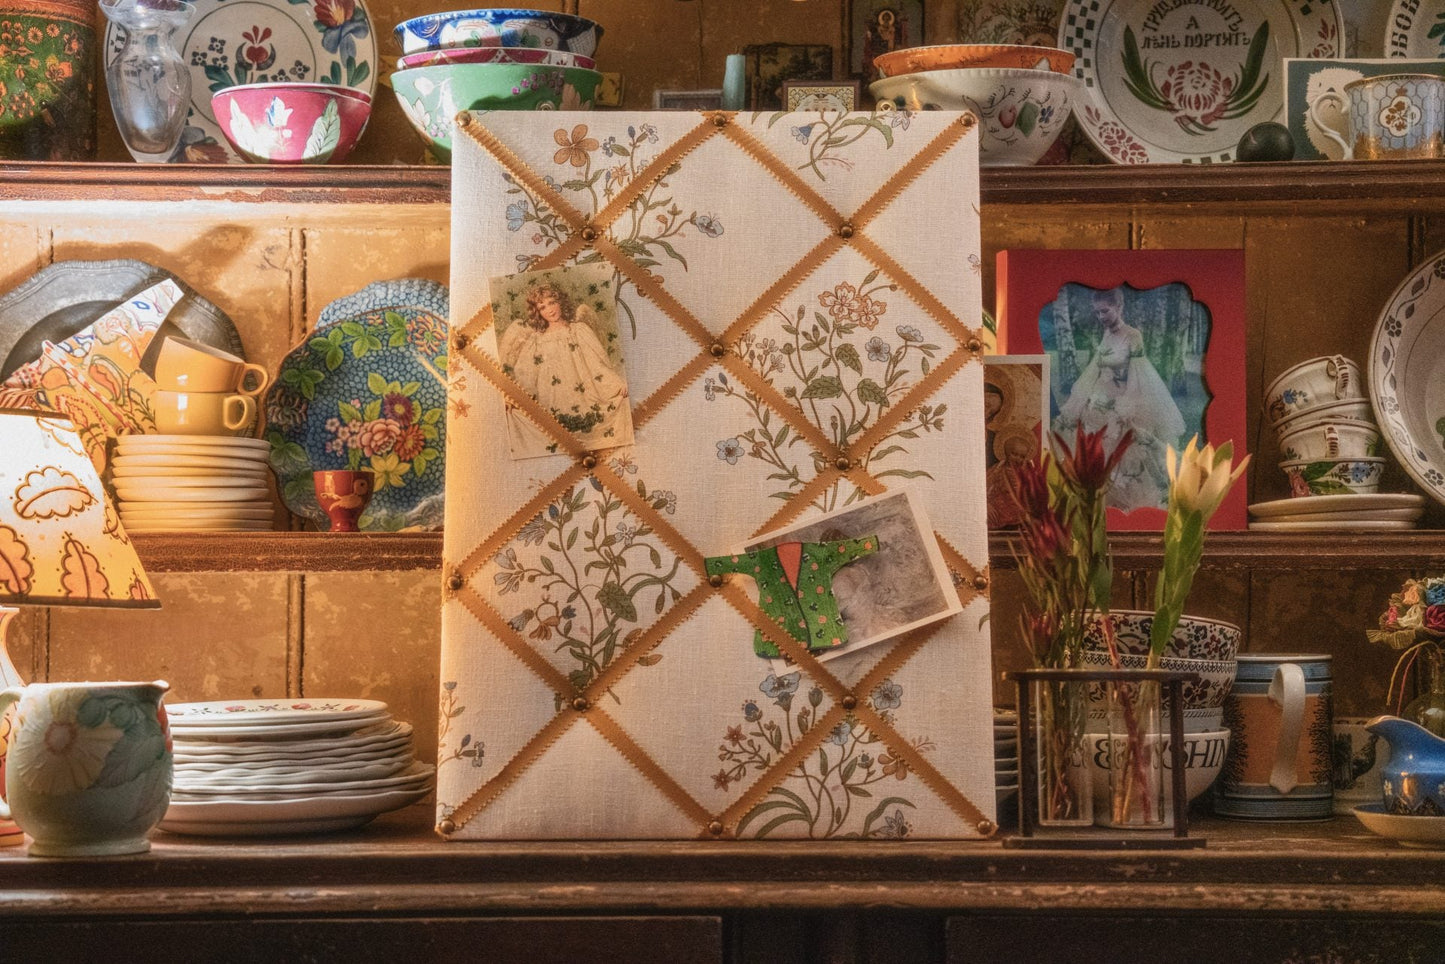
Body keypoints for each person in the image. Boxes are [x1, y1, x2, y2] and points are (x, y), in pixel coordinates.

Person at [1054, 287, 1185, 512]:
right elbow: (1096, 368)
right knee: (1099, 454)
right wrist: (1082, 399)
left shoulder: (1133, 336)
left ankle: (1134, 507)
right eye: (1097, 312)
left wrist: (1125, 406)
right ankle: (1106, 504)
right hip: (1101, 401)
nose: (1101, 317)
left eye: (1105, 311)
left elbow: (1137, 373)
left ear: (1119, 307)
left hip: (1125, 400)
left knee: (1129, 455)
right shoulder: (1106, 334)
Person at [498, 282, 632, 456]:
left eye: (552, 302)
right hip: (552, 398)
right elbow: (527, 374)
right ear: (538, 312)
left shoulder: (578, 330)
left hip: (584, 396)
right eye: (542, 307)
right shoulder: (536, 341)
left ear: (560, 302)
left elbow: (596, 363)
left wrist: (615, 383)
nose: (550, 310)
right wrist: (513, 399)